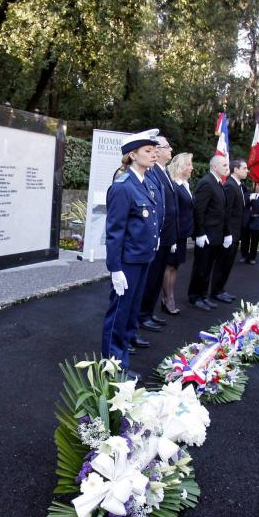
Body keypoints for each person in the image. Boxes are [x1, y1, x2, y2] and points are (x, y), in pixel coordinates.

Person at [101, 130, 161, 379]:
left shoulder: (146, 182)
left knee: (132, 313)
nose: (153, 154)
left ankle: (122, 357)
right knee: (119, 314)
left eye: (154, 150)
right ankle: (112, 365)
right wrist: (115, 269)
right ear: (132, 154)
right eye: (148, 151)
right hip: (127, 262)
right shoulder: (123, 186)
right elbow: (115, 231)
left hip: (143, 258)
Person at [138, 136, 178, 333]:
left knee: (156, 278)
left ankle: (148, 312)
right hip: (157, 236)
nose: (169, 149)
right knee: (151, 278)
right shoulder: (152, 172)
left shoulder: (164, 172)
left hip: (164, 236)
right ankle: (142, 315)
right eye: (165, 146)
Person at [187, 155, 229, 311]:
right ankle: (194, 297)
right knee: (201, 267)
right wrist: (199, 233)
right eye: (224, 165)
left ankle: (203, 295)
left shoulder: (218, 183)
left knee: (208, 268)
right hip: (206, 235)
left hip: (215, 235)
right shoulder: (206, 183)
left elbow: (221, 211)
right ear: (215, 167)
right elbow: (199, 210)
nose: (227, 168)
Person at [210, 159, 249, 303]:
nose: (247, 171)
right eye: (244, 168)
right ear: (236, 170)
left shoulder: (238, 186)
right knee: (222, 263)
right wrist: (227, 233)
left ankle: (220, 289)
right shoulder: (230, 186)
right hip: (229, 233)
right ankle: (216, 291)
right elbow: (226, 212)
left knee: (228, 263)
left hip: (235, 232)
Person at [161, 152, 194, 315]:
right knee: (169, 266)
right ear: (181, 167)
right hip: (175, 233)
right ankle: (168, 299)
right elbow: (172, 213)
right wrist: (172, 237)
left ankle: (168, 297)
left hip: (182, 233)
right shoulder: (175, 185)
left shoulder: (185, 185)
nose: (192, 168)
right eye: (189, 165)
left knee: (175, 266)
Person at [239, 179, 259, 264]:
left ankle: (252, 257)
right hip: (247, 220)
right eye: (256, 184)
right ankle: (244, 255)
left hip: (257, 221)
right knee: (245, 240)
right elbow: (243, 203)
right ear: (253, 185)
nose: (258, 186)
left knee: (255, 241)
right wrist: (250, 198)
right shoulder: (248, 194)